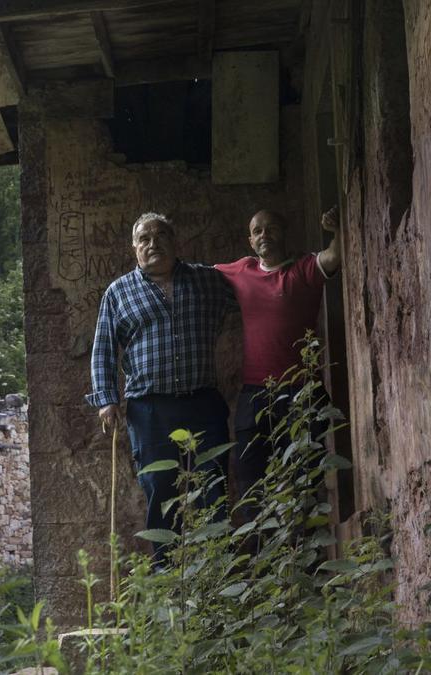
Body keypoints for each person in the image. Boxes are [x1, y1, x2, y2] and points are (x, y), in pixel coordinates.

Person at [87, 213, 237, 567]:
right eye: (144, 239)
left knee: (213, 488)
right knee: (160, 490)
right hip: (150, 410)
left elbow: (253, 292)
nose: (153, 243)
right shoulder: (118, 292)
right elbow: (104, 349)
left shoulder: (208, 281)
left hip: (203, 402)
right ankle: (166, 576)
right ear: (135, 249)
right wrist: (107, 400)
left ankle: (220, 574)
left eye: (161, 235)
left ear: (175, 240)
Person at [214, 208, 341, 513]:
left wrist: (338, 230)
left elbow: (334, 256)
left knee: (305, 480)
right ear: (250, 240)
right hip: (255, 394)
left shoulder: (304, 269)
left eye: (271, 229)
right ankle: (262, 557)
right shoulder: (241, 270)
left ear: (285, 231)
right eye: (257, 231)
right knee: (250, 482)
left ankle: (305, 557)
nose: (264, 236)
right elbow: (197, 275)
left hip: (302, 393)